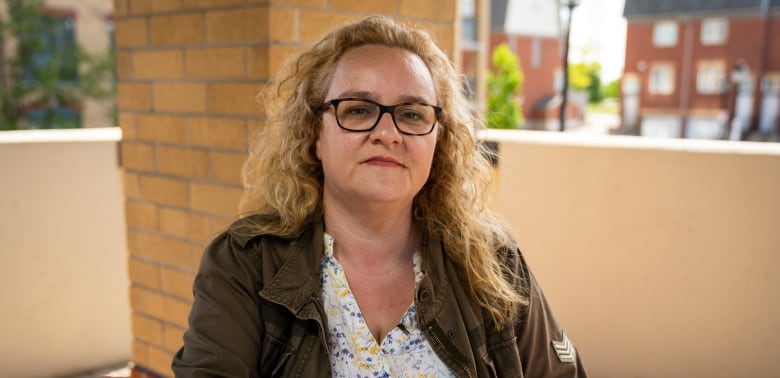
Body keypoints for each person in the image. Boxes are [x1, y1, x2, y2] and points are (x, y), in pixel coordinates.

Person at [172, 15, 587, 377]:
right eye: (358, 110)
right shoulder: (245, 264)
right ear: (314, 134)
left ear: (438, 141)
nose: (387, 133)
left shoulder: (494, 262)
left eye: (411, 114)